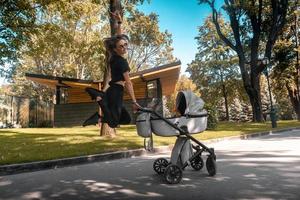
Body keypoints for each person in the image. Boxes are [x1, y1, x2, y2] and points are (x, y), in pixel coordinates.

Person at [83, 11, 141, 128]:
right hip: (116, 92)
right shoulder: (121, 61)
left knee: (126, 119)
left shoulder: (114, 57)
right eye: (121, 46)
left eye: (125, 45)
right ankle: (99, 102)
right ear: (115, 49)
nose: (125, 47)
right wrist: (134, 101)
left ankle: (100, 101)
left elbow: (119, 38)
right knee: (114, 123)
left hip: (115, 91)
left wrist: (119, 22)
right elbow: (128, 82)